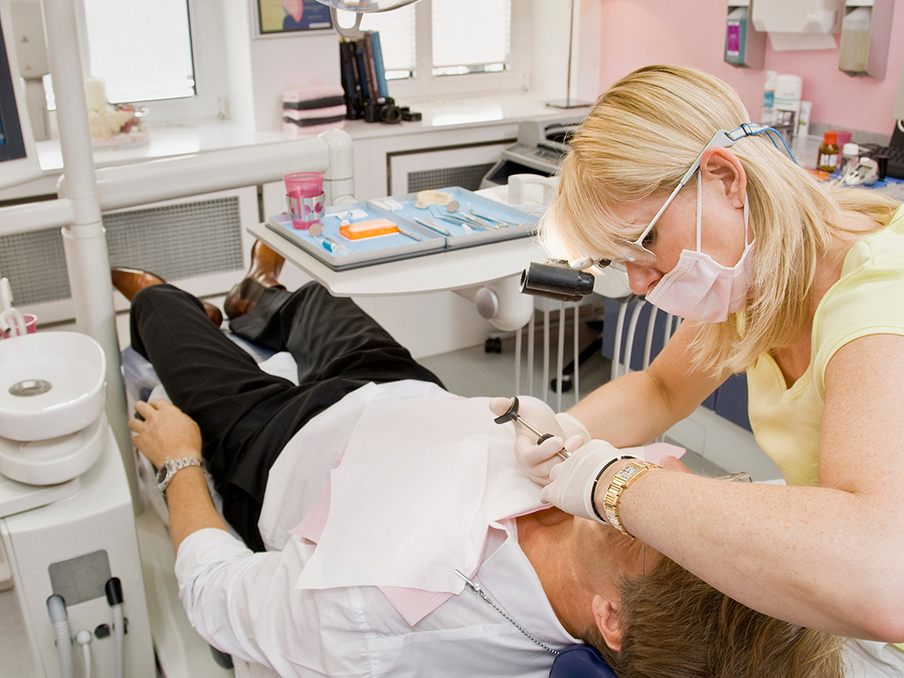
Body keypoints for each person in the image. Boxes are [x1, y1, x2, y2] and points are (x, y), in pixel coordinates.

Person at [112, 244, 843, 678]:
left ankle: (180, 303)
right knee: (310, 301)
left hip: (275, 440)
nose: (673, 475)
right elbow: (654, 393)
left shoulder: (375, 615)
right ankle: (255, 297)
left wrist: (179, 461)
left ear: (611, 619)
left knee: (157, 313)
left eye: (673, 517)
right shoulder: (607, 512)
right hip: (406, 394)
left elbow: (215, 594)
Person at [509, 64, 904, 668]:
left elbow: (882, 569)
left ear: (725, 179)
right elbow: (661, 388)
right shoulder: (763, 274)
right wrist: (563, 435)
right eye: (622, 261)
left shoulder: (880, 298)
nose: (640, 284)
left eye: (646, 240)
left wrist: (611, 484)